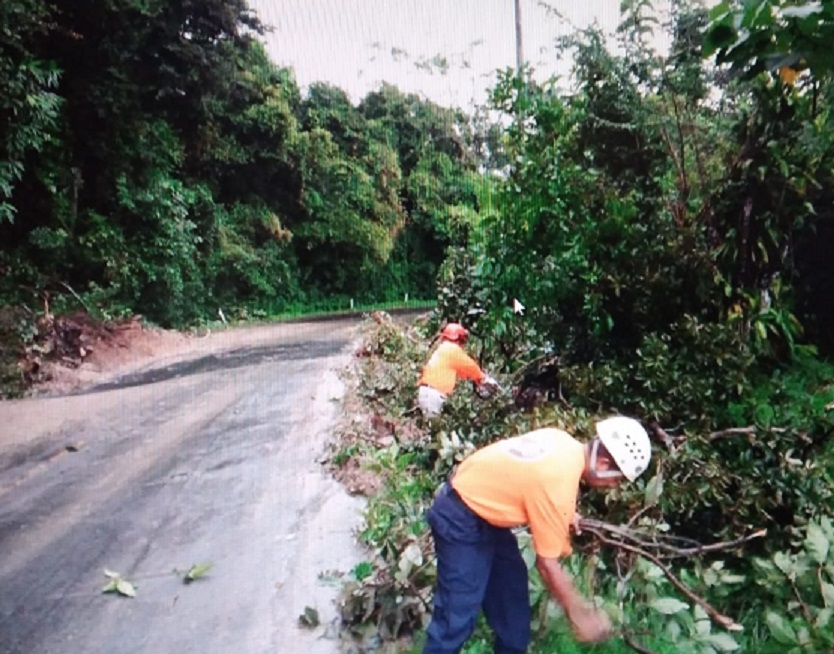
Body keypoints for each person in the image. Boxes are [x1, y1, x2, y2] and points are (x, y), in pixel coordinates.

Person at [422, 416, 652, 653]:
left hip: (486, 514)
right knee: (456, 617)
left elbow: (527, 479)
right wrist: (580, 614)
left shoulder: (563, 443)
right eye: (617, 479)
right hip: (459, 515)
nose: (614, 486)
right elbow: (548, 566)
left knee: (512, 603)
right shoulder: (558, 483)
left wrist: (565, 514)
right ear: (603, 464)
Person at [417, 322, 498, 419]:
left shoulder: (443, 349)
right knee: (433, 428)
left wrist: (476, 380)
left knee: (432, 425)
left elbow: (462, 371)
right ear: (459, 339)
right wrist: (483, 378)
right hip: (433, 395)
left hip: (428, 393)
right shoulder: (452, 350)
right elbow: (470, 366)